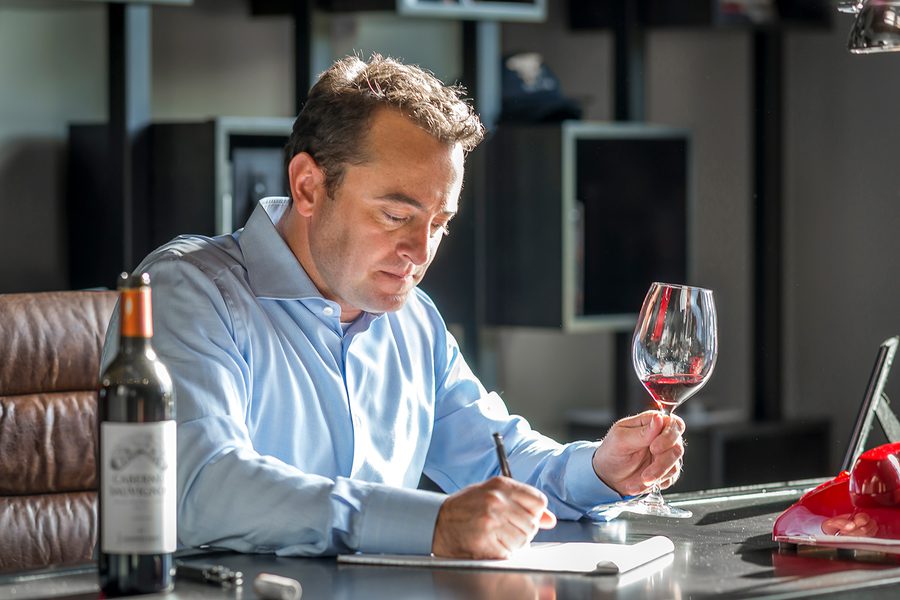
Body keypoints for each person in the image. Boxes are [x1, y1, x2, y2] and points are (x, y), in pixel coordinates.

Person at [101, 54, 685, 559]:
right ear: (308, 186)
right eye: (396, 215)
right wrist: (429, 524)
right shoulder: (186, 294)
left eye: (440, 224)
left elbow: (498, 457)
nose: (419, 252)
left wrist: (601, 471)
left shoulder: (413, 319)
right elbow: (203, 487)